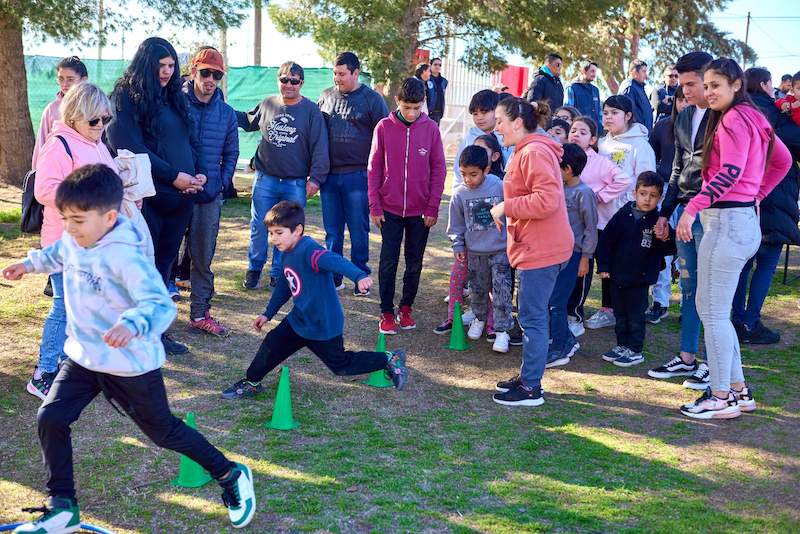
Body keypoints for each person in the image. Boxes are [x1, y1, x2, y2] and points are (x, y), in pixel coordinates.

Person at [4, 165, 256, 532]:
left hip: (130, 365)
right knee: (51, 418)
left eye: (78, 220)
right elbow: (58, 252)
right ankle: (63, 506)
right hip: (85, 357)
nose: (70, 228)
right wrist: (28, 264)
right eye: (65, 219)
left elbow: (160, 304)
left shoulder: (126, 256)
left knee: (164, 432)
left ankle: (230, 474)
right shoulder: (76, 239)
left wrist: (133, 323)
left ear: (108, 217)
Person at [677, 58, 791, 420]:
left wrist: (694, 207)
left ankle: (721, 395)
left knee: (710, 312)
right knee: (715, 312)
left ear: (736, 85)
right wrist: (756, 195)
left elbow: (730, 170)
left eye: (716, 85)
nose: (709, 92)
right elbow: (783, 161)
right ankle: (738, 391)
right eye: (705, 85)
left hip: (727, 221)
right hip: (738, 220)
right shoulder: (756, 118)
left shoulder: (734, 120)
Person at [221, 201, 408, 399]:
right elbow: (285, 286)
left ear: (297, 230)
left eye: (279, 232)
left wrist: (359, 276)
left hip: (323, 325)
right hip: (299, 320)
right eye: (271, 233)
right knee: (272, 344)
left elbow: (335, 261)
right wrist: (268, 313)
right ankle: (252, 381)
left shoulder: (309, 250)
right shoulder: (286, 253)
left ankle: (390, 358)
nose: (274, 238)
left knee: (341, 365)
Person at [107, 37, 206, 356]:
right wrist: (173, 176)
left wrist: (198, 174)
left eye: (171, 66)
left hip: (182, 198)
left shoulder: (175, 97)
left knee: (164, 267)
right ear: (146, 64)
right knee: (142, 266)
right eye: (161, 66)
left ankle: (156, 333)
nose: (167, 72)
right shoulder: (125, 95)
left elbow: (190, 139)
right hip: (148, 196)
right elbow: (129, 144)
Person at [27, 82, 123, 401]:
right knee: (64, 308)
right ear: (74, 116)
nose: (100, 127)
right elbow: (44, 190)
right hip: (65, 242)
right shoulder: (59, 144)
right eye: (93, 121)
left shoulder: (94, 143)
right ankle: (43, 372)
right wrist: (87, 203)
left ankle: (71, 366)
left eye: (105, 120)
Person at [490, 97, 574, 407]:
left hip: (543, 250)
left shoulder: (535, 151)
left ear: (517, 122)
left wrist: (506, 207)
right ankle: (529, 375)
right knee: (531, 316)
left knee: (532, 318)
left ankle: (531, 388)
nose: (497, 126)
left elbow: (546, 201)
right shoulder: (528, 150)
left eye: (500, 120)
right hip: (537, 246)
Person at [649, 51, 714, 389]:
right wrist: (664, 213)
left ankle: (711, 363)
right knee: (688, 286)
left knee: (712, 292)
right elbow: (677, 169)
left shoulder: (726, 116)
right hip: (684, 212)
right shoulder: (684, 117)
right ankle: (688, 357)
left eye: (692, 83)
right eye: (682, 83)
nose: (685, 90)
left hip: (716, 213)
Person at [237, 61, 330, 290]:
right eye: (284, 80)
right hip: (265, 179)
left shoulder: (310, 111)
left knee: (287, 230)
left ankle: (279, 273)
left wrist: (315, 179)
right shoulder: (268, 104)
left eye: (294, 81)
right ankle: (254, 268)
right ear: (278, 80)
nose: (289, 85)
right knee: (259, 225)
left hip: (295, 182)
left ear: (301, 83)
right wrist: (218, 105)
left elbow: (320, 146)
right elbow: (247, 121)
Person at [368, 77, 446, 334]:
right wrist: (375, 206)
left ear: (423, 104)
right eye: (406, 108)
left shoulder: (431, 129)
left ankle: (406, 308)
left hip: (420, 212)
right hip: (389, 210)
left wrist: (432, 207)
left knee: (414, 261)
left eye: (417, 108)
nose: (412, 113)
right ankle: (387, 311)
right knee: (388, 261)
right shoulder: (383, 127)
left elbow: (439, 169)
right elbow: (374, 168)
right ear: (397, 102)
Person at [730, 67, 800, 344]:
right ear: (764, 84)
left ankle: (735, 319)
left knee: (743, 264)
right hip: (776, 198)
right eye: (772, 84)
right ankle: (750, 323)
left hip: (744, 197)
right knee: (767, 263)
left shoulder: (736, 111)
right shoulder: (777, 115)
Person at [318, 52, 389, 295]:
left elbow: (384, 140)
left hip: (358, 176)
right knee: (332, 231)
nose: (337, 78)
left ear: (355, 73)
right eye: (334, 73)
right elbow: (317, 136)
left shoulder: (372, 100)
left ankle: (361, 277)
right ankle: (334, 277)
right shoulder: (326, 96)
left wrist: (380, 179)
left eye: (342, 74)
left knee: (358, 230)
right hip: (329, 177)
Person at [182, 47, 239, 337]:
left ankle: (199, 313)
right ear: (194, 71)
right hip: (173, 193)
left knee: (202, 258)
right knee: (161, 256)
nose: (210, 80)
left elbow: (232, 154)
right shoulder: (176, 103)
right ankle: (152, 318)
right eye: (205, 73)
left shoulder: (227, 114)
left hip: (207, 197)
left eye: (216, 75)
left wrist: (219, 183)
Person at [585, 95, 656, 330]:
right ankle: (608, 308)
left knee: (624, 265)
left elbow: (647, 181)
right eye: (605, 112)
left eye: (614, 113)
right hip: (600, 216)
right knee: (604, 263)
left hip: (626, 217)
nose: (608, 117)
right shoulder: (602, 144)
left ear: (628, 116)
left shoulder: (640, 145)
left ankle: (626, 309)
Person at [596, 171, 676, 367]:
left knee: (635, 316)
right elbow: (606, 240)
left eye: (653, 195)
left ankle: (635, 349)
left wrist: (664, 237)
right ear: (634, 193)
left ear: (660, 198)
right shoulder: (623, 214)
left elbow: (669, 249)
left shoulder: (658, 221)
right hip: (617, 275)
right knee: (620, 315)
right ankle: (622, 345)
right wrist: (604, 266)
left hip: (640, 279)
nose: (647, 199)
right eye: (643, 193)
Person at [565, 116, 632, 336]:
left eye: (582, 132)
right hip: (567, 226)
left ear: (593, 139)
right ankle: (562, 311)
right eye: (573, 130)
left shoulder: (599, 162)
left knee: (584, 269)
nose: (576, 134)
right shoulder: (562, 156)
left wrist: (599, 197)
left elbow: (624, 180)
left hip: (596, 226)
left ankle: (576, 315)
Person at [447, 146, 513, 352]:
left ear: (486, 169)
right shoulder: (459, 194)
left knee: (502, 290)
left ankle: (502, 331)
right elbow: (456, 223)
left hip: (500, 250)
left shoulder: (499, 186)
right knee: (477, 288)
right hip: (474, 252)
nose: (468, 179)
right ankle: (479, 318)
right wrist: (458, 243)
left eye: (473, 174)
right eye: (463, 174)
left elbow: (512, 212)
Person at [548, 143, 598, 367]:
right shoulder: (558, 188)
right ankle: (566, 339)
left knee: (556, 302)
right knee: (551, 300)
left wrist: (586, 258)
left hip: (574, 255)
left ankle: (560, 347)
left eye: (557, 167)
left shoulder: (584, 193)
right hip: (555, 253)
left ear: (567, 169)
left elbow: (591, 228)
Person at [644, 86, 688, 325]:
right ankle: (659, 302)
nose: (685, 104)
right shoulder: (661, 126)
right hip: (664, 195)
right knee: (661, 247)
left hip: (691, 198)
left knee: (686, 253)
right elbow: (653, 160)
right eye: (681, 99)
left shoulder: (703, 128)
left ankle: (687, 303)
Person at [32, 56, 88, 170]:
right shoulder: (51, 109)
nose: (64, 84)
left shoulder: (93, 107)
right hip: (57, 170)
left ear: (84, 79)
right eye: (61, 79)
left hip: (87, 171)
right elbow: (41, 145)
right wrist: (37, 173)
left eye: (70, 79)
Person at [618, 59, 654, 133]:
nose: (646, 75)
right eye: (643, 72)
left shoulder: (638, 87)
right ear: (634, 72)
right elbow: (629, 114)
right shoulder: (629, 88)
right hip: (636, 135)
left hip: (643, 134)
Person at [566, 60, 603, 131]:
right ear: (583, 71)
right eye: (592, 71)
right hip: (579, 130)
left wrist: (600, 127)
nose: (594, 74)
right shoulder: (572, 87)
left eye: (595, 71)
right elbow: (568, 110)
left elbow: (599, 112)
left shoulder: (595, 90)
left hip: (595, 131)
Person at [427, 57, 448, 124]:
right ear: (430, 65)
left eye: (439, 65)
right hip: (426, 112)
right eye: (435, 64)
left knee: (434, 133)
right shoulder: (426, 79)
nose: (437, 66)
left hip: (438, 113)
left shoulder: (444, 81)